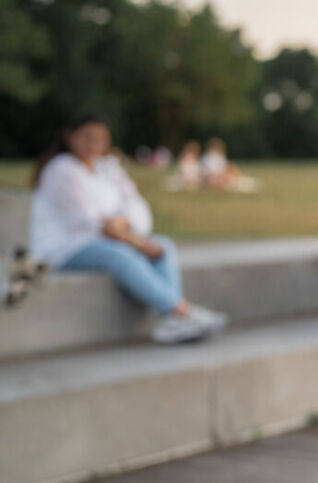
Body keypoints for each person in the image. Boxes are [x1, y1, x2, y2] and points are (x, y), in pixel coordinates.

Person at [29, 113, 227, 344]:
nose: (94, 145)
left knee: (162, 245)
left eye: (100, 138)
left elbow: (138, 209)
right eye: (87, 137)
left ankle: (171, 319)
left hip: (111, 239)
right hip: (66, 248)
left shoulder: (108, 167)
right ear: (70, 138)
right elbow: (91, 223)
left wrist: (122, 222)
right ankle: (180, 311)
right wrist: (134, 239)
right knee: (121, 255)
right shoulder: (60, 170)